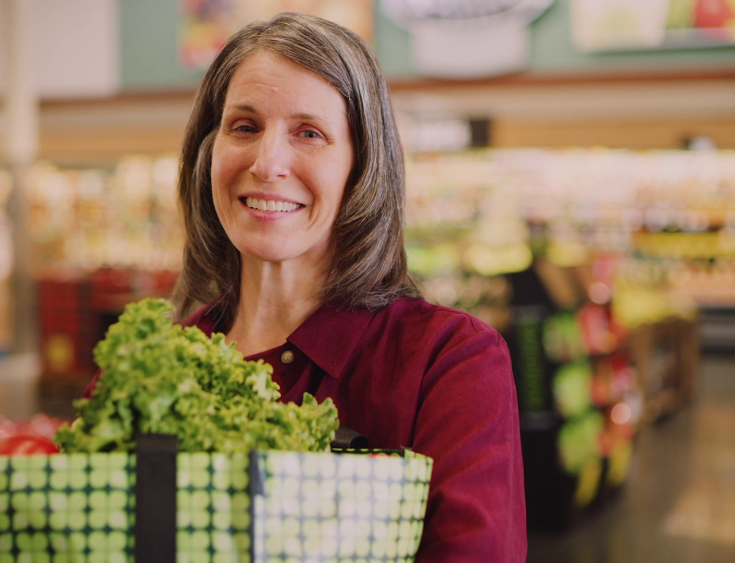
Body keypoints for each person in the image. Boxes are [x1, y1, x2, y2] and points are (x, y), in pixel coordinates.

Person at [173, 13, 526, 562]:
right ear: (208, 151)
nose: (267, 163)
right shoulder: (163, 362)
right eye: (244, 126)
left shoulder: (450, 363)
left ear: (362, 167)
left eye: (309, 133)